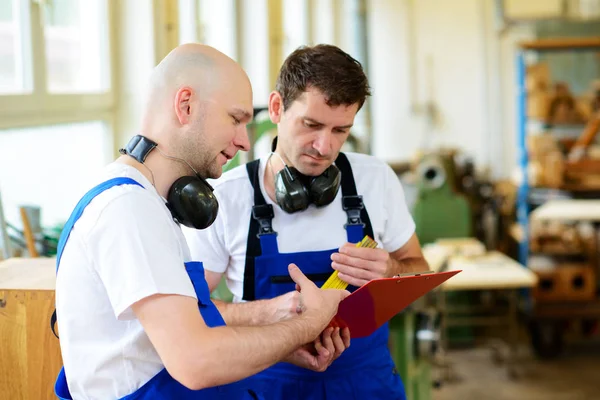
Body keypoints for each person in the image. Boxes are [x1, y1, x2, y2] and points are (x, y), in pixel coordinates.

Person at [53, 43, 351, 400]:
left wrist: (278, 347)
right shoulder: (129, 210)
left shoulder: (148, 204)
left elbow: (167, 339)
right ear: (186, 105)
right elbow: (195, 361)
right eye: (235, 119)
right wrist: (309, 323)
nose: (243, 141)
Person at [183, 44, 431, 400]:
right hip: (268, 385)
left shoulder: (376, 180)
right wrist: (270, 312)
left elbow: (420, 269)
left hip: (368, 384)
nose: (324, 146)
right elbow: (192, 310)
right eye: (311, 125)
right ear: (276, 108)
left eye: (340, 131)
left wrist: (392, 268)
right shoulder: (228, 197)